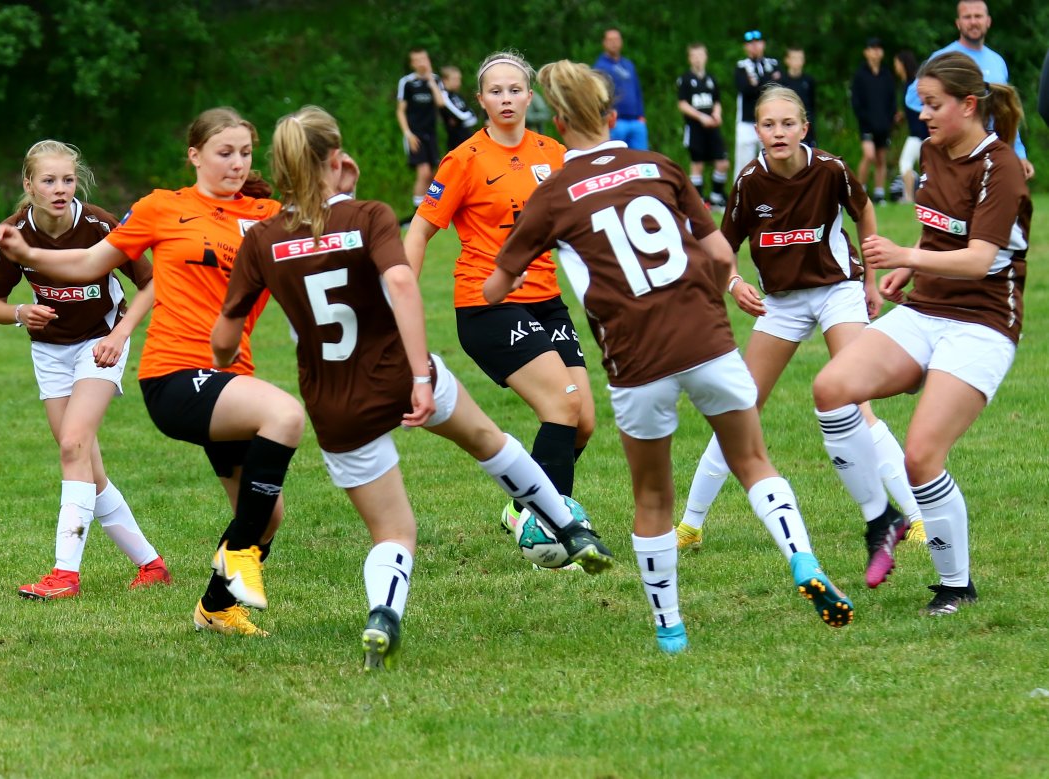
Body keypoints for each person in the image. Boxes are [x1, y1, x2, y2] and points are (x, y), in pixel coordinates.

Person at [214, 106, 615, 670]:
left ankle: (383, 615)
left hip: (335, 401)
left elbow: (225, 337)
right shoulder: (368, 215)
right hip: (402, 373)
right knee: (489, 442)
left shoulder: (262, 239)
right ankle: (569, 528)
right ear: (338, 160)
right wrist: (421, 376)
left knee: (394, 532)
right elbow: (400, 281)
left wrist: (223, 359)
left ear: (279, 165)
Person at [484, 60, 855, 654]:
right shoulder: (658, 165)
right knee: (753, 460)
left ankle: (670, 629)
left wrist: (516, 269)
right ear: (612, 118)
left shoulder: (550, 194)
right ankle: (802, 557)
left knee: (654, 498)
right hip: (705, 335)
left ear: (558, 124)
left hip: (636, 356)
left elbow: (495, 288)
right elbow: (720, 255)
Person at [0, 108, 310, 637]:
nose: (236, 162)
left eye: (245, 153)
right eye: (224, 152)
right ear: (195, 155)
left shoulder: (266, 216)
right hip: (171, 372)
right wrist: (25, 258)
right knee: (285, 414)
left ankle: (210, 603)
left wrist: (333, 188)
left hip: (220, 373)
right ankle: (71, 572)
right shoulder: (163, 207)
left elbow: (321, 235)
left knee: (266, 516)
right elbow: (87, 264)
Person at [673, 87, 923, 580]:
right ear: (757, 131)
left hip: (837, 291)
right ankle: (690, 525)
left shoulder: (830, 169)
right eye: (769, 125)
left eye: (788, 123)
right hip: (782, 302)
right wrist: (734, 283)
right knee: (739, 407)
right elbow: (723, 248)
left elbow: (865, 212)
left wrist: (870, 280)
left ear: (804, 128)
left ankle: (915, 518)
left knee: (855, 401)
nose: (779, 132)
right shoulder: (749, 181)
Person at [812, 52, 1031, 615]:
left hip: (982, 322)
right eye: (921, 105)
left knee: (921, 456)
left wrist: (904, 255)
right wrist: (911, 268)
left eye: (933, 105)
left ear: (969, 105)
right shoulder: (934, 152)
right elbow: (939, 235)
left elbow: (980, 259)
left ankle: (956, 585)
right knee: (831, 389)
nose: (924, 116)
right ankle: (882, 518)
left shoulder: (1001, 166)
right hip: (926, 309)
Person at [403, 51, 597, 542]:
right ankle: (553, 530)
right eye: (496, 91)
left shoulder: (554, 153)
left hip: (546, 300)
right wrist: (400, 299)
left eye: (514, 90)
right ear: (481, 100)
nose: (506, 98)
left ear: (530, 97)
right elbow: (420, 231)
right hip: (487, 303)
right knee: (563, 405)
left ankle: (522, 505)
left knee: (583, 422)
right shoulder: (464, 159)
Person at [0, 140, 169, 600]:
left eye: (67, 179)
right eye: (48, 180)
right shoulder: (14, 233)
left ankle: (65, 574)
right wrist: (21, 312)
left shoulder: (99, 224)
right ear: (29, 184)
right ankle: (151, 564)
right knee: (85, 466)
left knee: (72, 445)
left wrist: (120, 335)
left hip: (100, 343)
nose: (60, 189)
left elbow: (151, 283)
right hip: (50, 353)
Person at [904, 1, 1033, 179]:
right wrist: (948, 114)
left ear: (988, 21)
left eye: (978, 16)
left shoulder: (997, 61)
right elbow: (912, 98)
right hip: (956, 156)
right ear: (958, 23)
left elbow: (1006, 112)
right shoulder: (943, 58)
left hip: (994, 153)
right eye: (967, 17)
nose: (973, 22)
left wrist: (1019, 153)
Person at [676, 43, 729, 211]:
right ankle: (698, 200)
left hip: (712, 127)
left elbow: (717, 101)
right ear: (689, 58)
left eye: (700, 55)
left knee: (722, 162)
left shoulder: (711, 79)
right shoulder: (685, 79)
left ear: (706, 57)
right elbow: (682, 104)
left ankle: (716, 197)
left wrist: (717, 114)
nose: (698, 59)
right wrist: (700, 117)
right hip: (695, 128)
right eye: (694, 56)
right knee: (697, 164)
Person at [397, 47, 446, 222]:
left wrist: (431, 81)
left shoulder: (435, 80)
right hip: (415, 134)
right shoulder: (407, 83)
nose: (421, 63)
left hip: (431, 134)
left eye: (423, 59)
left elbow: (441, 103)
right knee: (423, 172)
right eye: (417, 60)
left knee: (434, 174)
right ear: (412, 63)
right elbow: (400, 110)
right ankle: (417, 213)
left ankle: (432, 208)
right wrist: (408, 134)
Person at [851, 38, 896, 204]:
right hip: (867, 124)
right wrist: (864, 119)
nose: (876, 52)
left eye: (879, 48)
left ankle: (879, 193)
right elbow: (856, 101)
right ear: (866, 52)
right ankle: (859, 191)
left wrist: (890, 119)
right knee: (868, 155)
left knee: (881, 158)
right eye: (872, 48)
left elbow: (892, 100)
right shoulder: (860, 75)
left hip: (884, 124)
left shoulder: (886, 74)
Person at [593, 28, 648, 149]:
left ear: (621, 42)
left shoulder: (628, 65)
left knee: (641, 156)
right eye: (610, 40)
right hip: (616, 121)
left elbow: (637, 90)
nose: (614, 43)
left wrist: (641, 115)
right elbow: (598, 95)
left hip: (636, 120)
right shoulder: (600, 67)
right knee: (617, 155)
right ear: (604, 43)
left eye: (616, 39)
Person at [734, 30, 780, 171]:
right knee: (744, 165)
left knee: (772, 162)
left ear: (763, 44)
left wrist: (756, 83)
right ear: (745, 47)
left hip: (770, 120)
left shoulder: (773, 63)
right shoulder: (741, 66)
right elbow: (745, 89)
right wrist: (769, 79)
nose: (754, 46)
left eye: (757, 42)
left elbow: (780, 86)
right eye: (750, 44)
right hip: (747, 120)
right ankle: (742, 186)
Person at [895, 49, 930, 203]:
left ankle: (908, 197)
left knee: (905, 163)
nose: (895, 67)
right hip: (919, 131)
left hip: (918, 133)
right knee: (925, 165)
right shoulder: (909, 84)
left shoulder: (914, 85)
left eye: (897, 63)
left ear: (902, 64)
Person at [780, 46, 817, 146]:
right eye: (794, 58)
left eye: (800, 58)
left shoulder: (808, 81)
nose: (797, 61)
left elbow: (812, 104)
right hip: (786, 126)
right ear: (787, 60)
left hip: (805, 127)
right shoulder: (781, 82)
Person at [440, 65, 480, 152]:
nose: (458, 82)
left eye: (459, 79)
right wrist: (467, 117)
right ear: (445, 80)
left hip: (467, 137)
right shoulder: (444, 96)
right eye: (454, 79)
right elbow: (461, 116)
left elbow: (472, 115)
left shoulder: (457, 95)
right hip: (455, 141)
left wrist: (469, 117)